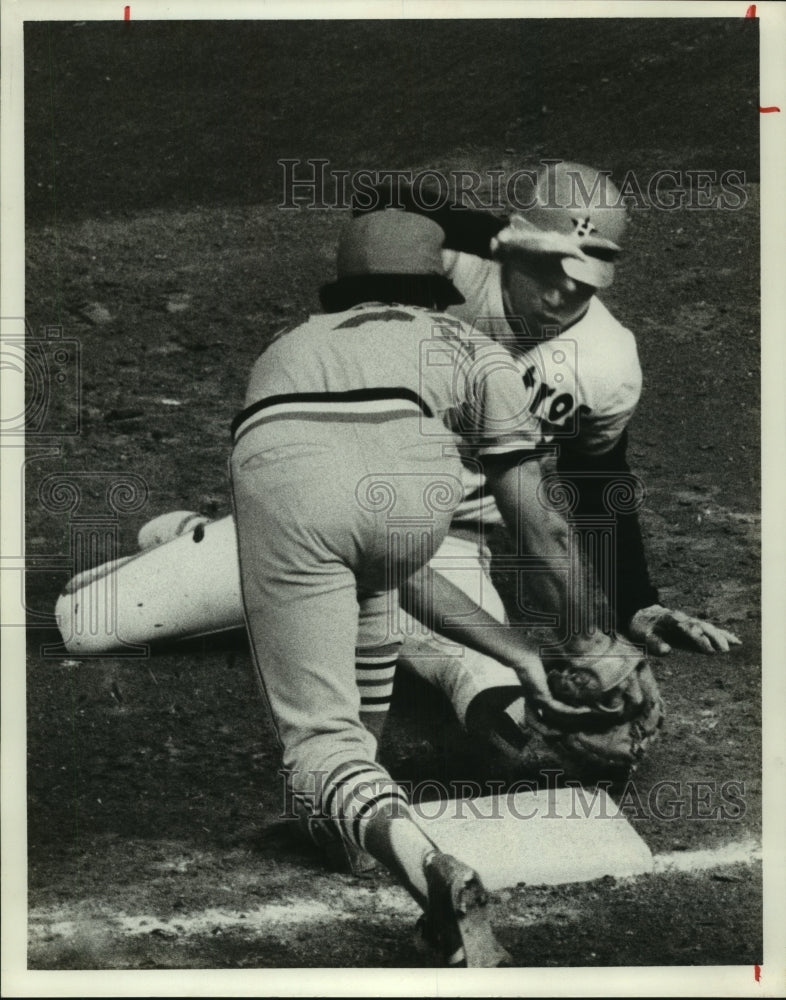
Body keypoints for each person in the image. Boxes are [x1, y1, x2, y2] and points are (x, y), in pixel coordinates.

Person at [230, 207, 625, 966]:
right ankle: (351, 817)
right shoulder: (476, 349)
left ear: (346, 288)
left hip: (287, 483)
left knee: (318, 741)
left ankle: (420, 862)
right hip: (410, 504)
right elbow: (528, 528)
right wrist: (558, 647)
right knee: (376, 577)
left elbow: (320, 506)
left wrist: (516, 657)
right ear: (436, 286)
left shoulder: (282, 348)